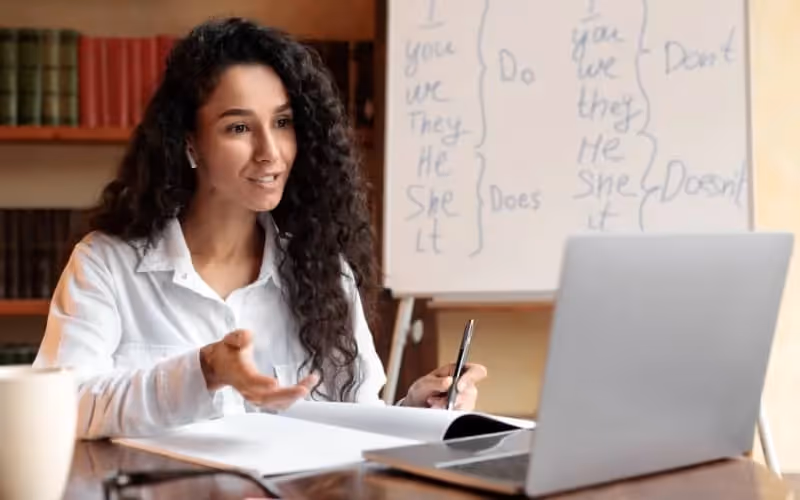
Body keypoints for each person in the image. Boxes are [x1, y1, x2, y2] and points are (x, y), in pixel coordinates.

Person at [34, 17, 487, 440]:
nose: (270, 151)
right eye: (238, 127)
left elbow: (356, 422)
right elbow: (61, 409)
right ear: (189, 142)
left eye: (283, 123)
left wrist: (416, 409)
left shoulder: (324, 272)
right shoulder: (106, 265)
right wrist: (205, 370)